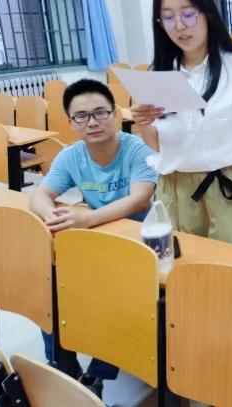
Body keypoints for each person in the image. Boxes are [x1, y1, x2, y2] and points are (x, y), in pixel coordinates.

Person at [130, 0, 232, 253]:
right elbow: (159, 145)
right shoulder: (158, 74)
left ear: (207, 12)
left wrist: (213, 148)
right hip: (175, 191)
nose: (179, 26)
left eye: (188, 14)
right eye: (168, 17)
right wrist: (143, 122)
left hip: (229, 188)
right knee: (184, 271)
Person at [29, 78, 157, 399]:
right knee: (51, 287)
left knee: (114, 294)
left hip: (140, 245)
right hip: (97, 241)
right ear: (71, 123)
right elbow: (40, 195)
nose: (92, 122)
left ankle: (97, 376)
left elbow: (140, 199)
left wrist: (86, 219)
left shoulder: (136, 149)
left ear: (115, 114)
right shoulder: (72, 156)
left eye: (100, 113)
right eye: (81, 116)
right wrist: (52, 216)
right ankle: (63, 368)